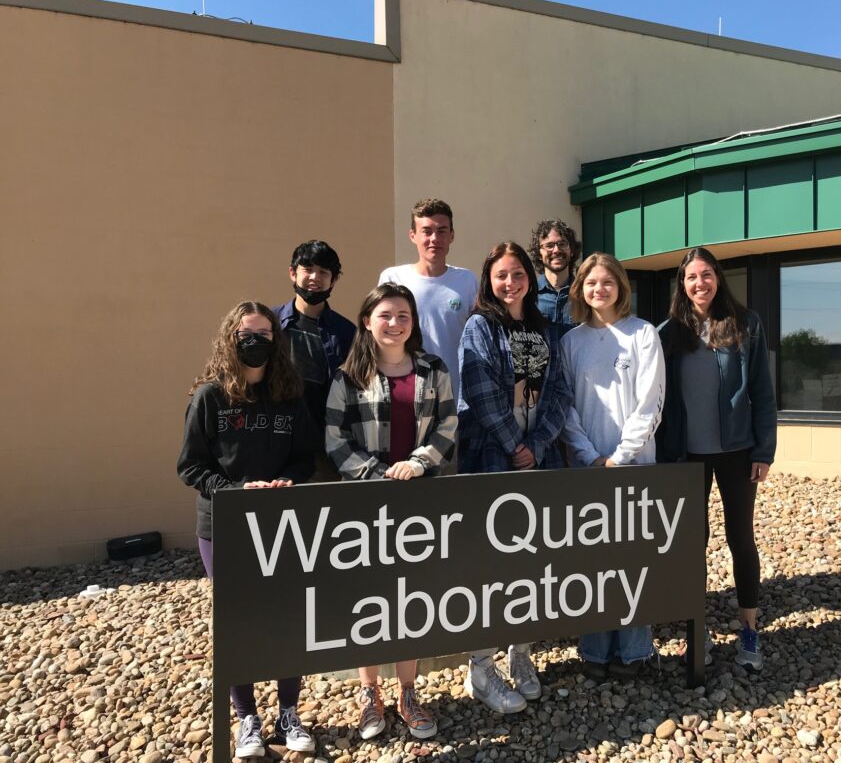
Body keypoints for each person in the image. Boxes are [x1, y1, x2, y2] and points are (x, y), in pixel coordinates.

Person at [177, 302, 317, 758]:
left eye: (263, 333)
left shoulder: (290, 395)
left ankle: (289, 712)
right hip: (224, 526)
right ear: (229, 339)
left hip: (281, 523)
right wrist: (235, 490)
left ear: (277, 339)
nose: (254, 340)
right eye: (244, 333)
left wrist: (286, 483)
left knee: (286, 618)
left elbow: (304, 458)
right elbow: (191, 465)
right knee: (239, 622)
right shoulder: (210, 397)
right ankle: (248, 719)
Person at [324, 283, 457, 740]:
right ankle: (369, 694)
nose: (394, 323)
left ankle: (407, 691)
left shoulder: (433, 370)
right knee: (370, 600)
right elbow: (335, 441)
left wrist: (417, 464)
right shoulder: (348, 376)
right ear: (367, 321)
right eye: (385, 315)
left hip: (420, 502)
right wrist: (380, 475)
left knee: (411, 598)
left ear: (413, 322)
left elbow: (447, 424)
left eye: (403, 315)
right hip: (367, 505)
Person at [458, 241, 571, 712]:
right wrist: (514, 446)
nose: (510, 282)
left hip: (537, 460)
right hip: (491, 456)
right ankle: (481, 668)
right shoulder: (479, 326)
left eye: (517, 273)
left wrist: (538, 445)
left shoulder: (544, 328)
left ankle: (521, 654)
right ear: (489, 279)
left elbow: (560, 390)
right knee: (490, 567)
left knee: (530, 566)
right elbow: (480, 389)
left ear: (529, 276)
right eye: (501, 275)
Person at [656, 247, 777, 672]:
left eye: (707, 275)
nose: (700, 283)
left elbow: (762, 391)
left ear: (718, 278)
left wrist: (764, 450)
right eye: (691, 277)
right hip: (686, 456)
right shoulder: (668, 333)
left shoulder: (747, 325)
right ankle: (697, 629)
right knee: (693, 544)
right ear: (682, 284)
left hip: (738, 452)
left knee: (740, 539)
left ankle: (749, 627)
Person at [560, 254, 665, 679]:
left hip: (633, 466)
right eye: (590, 283)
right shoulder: (572, 341)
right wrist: (589, 455)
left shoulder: (642, 335)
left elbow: (650, 401)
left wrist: (621, 456)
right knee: (591, 561)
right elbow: (564, 406)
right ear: (580, 289)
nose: (599, 289)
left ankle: (636, 650)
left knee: (632, 559)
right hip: (586, 467)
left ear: (621, 286)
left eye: (607, 282)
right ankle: (595, 652)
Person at [273, 240, 356, 479]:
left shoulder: (346, 332)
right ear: (292, 273)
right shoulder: (271, 322)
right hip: (275, 437)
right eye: (307, 269)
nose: (314, 277)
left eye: (323, 272)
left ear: (334, 279)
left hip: (324, 442)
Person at [379, 198, 478, 400]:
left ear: (452, 235)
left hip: (456, 395)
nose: (434, 238)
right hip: (404, 392)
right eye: (427, 231)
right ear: (412, 235)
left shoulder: (467, 281)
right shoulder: (393, 278)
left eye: (442, 231)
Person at [528, 218, 580, 337]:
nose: (556, 250)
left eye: (562, 244)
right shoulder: (528, 295)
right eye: (549, 245)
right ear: (539, 254)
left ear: (571, 251)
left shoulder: (584, 294)